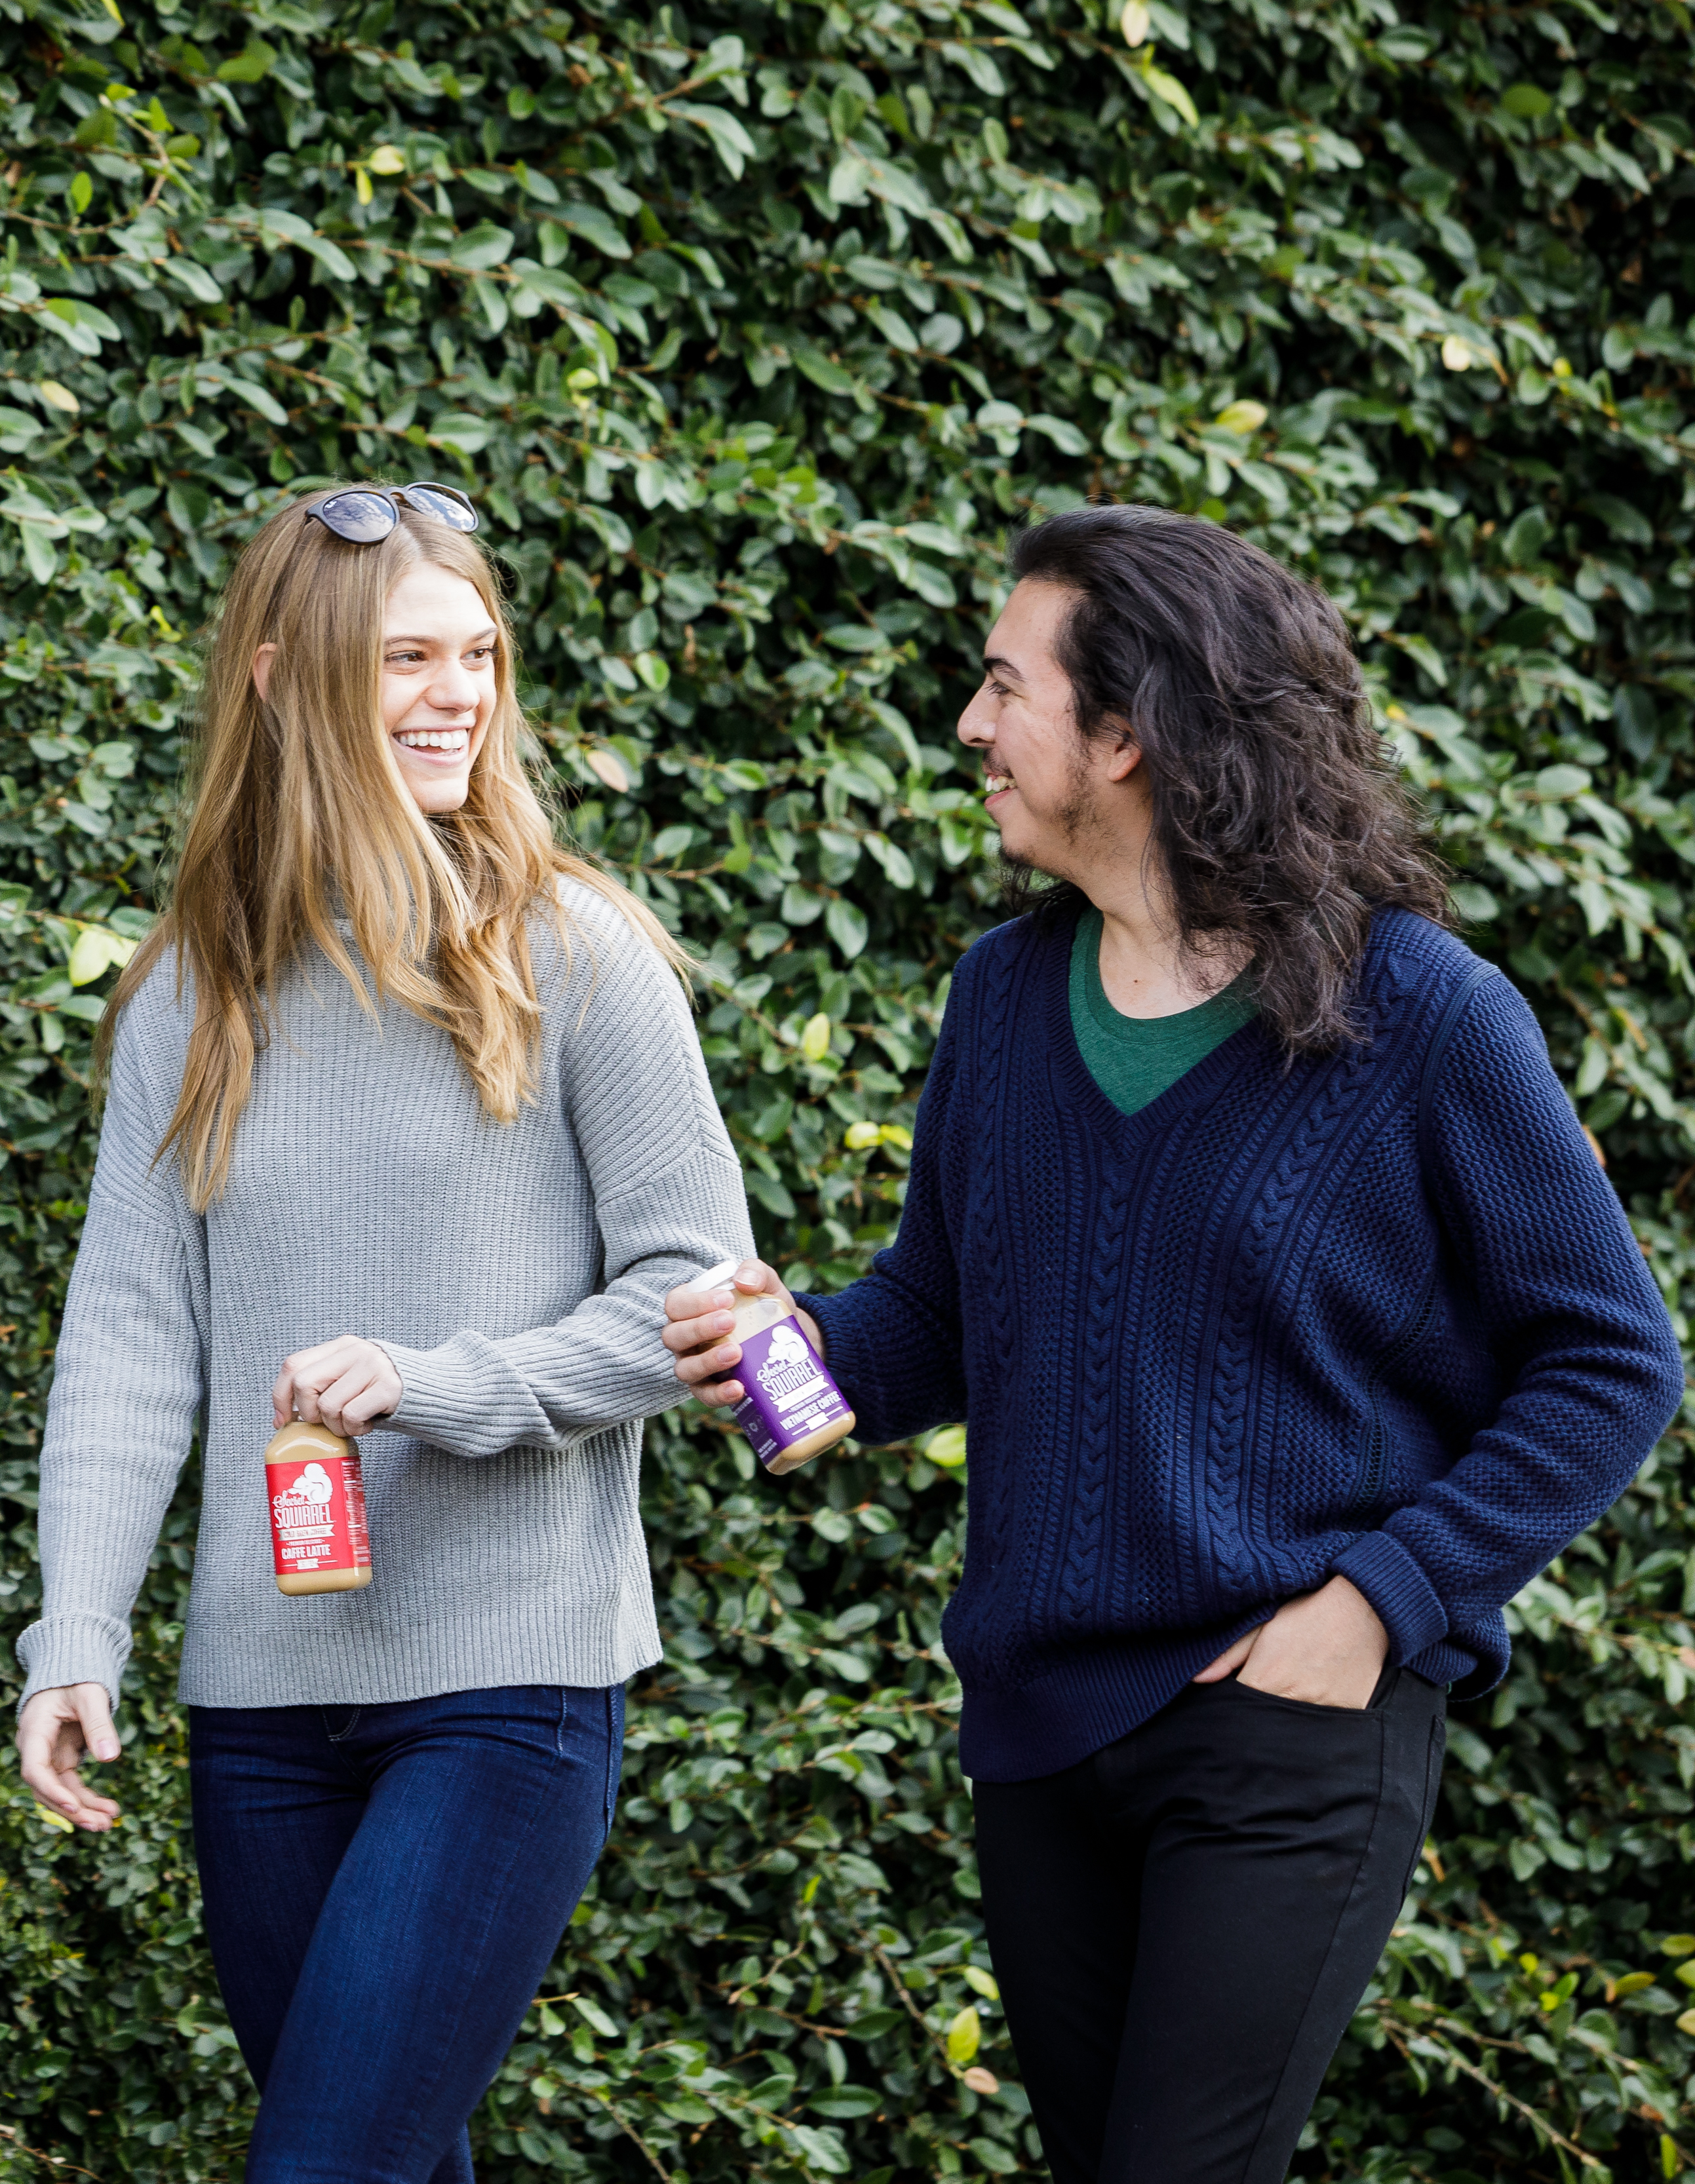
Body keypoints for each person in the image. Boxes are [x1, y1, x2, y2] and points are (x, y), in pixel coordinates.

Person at [659, 505, 1681, 2184]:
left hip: (1286, 1725)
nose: (972, 727)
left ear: (1125, 735)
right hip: (1040, 1724)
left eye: (1005, 687)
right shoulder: (1000, 999)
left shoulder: (1416, 1011)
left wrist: (1379, 1603)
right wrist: (802, 1348)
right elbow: (938, 1312)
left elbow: (1612, 1358)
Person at [13, 482, 753, 2182]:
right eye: (407, 656)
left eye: (477, 653)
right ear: (280, 677)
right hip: (262, 1701)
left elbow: (699, 1303)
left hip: (509, 1684)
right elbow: (129, 1338)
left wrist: (439, 1385)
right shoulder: (191, 990)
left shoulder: (579, 952)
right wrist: (76, 1631)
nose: (458, 693)